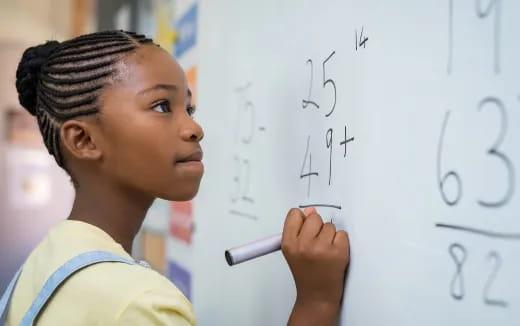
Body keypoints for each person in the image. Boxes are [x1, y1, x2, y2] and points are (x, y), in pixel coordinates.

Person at [0, 30, 350, 326]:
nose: (194, 128)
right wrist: (316, 302)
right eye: (161, 106)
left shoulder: (45, 262)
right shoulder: (139, 304)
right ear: (84, 140)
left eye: (189, 108)